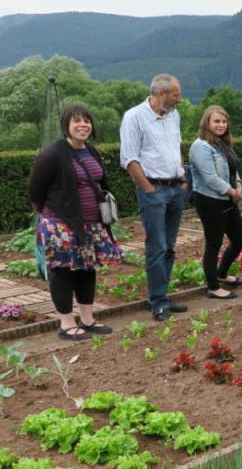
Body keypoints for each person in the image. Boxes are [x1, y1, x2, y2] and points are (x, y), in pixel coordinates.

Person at [29, 105, 123, 340]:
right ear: (66, 126)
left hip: (91, 224)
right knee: (62, 272)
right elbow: (34, 189)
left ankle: (88, 319)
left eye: (87, 121)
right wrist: (52, 214)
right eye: (76, 121)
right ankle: (67, 323)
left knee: (86, 270)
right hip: (61, 226)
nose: (83, 125)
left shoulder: (90, 151)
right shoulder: (53, 154)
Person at [119, 73, 188, 321]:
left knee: (169, 247)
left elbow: (176, 147)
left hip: (175, 189)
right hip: (155, 191)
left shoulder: (173, 116)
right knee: (156, 247)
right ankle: (157, 301)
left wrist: (182, 178)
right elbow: (129, 159)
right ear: (161, 94)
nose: (179, 100)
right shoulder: (134, 117)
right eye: (176, 95)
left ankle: (163, 296)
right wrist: (149, 190)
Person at [188, 106, 242, 299]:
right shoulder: (200, 146)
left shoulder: (222, 143)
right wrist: (233, 193)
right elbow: (210, 178)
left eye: (223, 121)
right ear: (207, 123)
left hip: (228, 198)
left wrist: (238, 185)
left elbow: (233, 169)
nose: (221, 125)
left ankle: (222, 273)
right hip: (210, 201)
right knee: (213, 244)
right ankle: (213, 287)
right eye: (216, 121)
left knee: (240, 239)